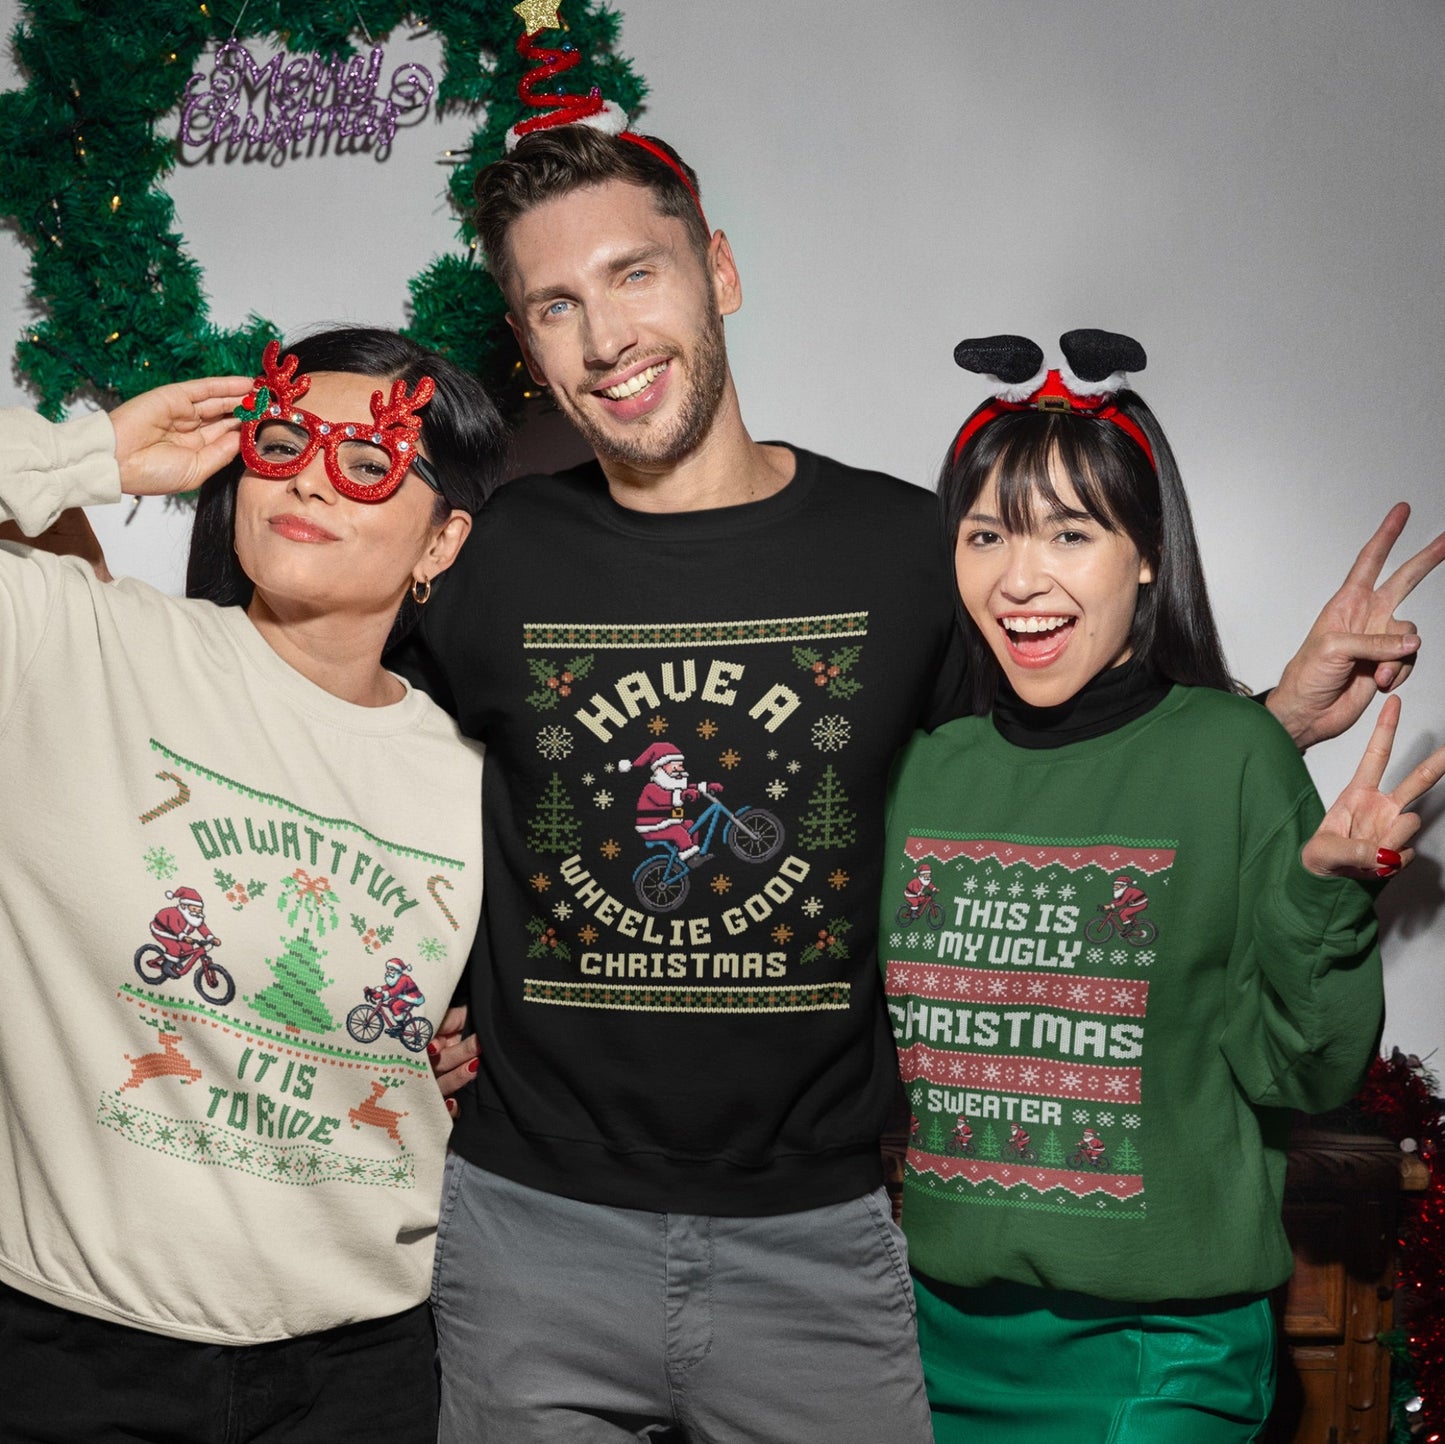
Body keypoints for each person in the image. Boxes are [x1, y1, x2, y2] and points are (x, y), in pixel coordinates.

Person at [407, 124, 1444, 1443]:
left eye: (635, 275)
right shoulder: (489, 557)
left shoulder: (905, 548)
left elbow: (1044, 771)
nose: (605, 338)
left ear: (716, 270)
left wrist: (1272, 721)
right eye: (556, 304)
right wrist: (408, 1011)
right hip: (530, 1227)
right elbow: (352, 764)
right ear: (523, 336)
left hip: (816, 1237)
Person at [880, 329, 1445, 1442]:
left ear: (1144, 553)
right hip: (930, 1341)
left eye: (1069, 532)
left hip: (1158, 1351)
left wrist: (1326, 893)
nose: (1020, 576)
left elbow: (1301, 1068)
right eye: (985, 532)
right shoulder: (921, 766)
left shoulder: (1232, 754)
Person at [0, 326, 504, 1443]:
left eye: (368, 460)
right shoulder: (71, 643)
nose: (311, 475)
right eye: (281, 440)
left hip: (365, 1369)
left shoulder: (478, 774)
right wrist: (98, 454)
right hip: (68, 1355)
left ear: (444, 536)